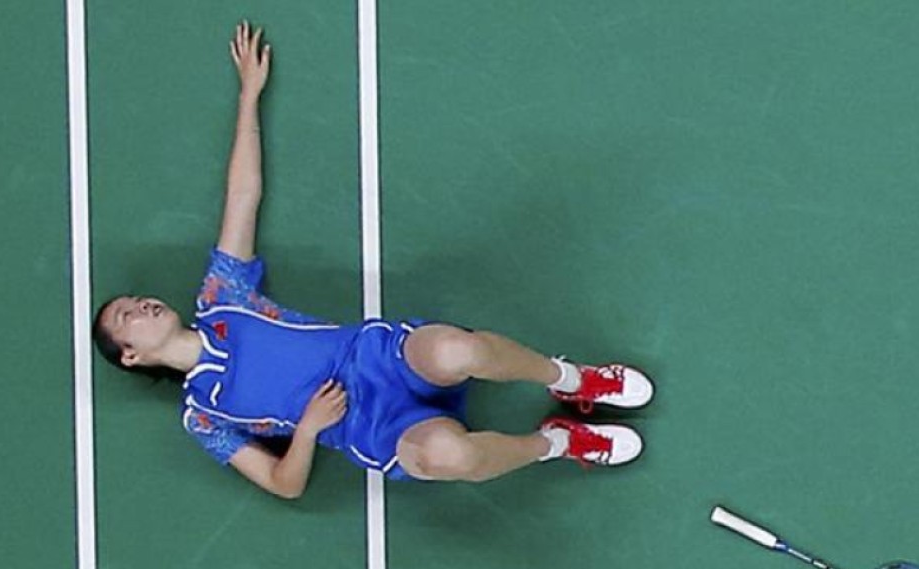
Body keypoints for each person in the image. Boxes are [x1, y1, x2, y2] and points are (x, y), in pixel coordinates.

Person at [92, 21, 654, 499]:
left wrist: (248, 97)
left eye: (133, 302)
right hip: (368, 424)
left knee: (459, 347)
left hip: (378, 358)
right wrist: (309, 430)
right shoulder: (204, 416)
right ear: (134, 357)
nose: (139, 305)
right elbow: (282, 483)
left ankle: (575, 379)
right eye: (126, 318)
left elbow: (242, 197)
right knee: (448, 458)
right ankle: (559, 442)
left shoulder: (222, 298)